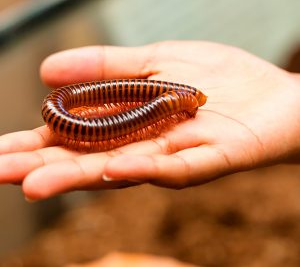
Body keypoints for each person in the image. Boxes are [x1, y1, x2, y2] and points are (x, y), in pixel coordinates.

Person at [0, 41, 299, 201]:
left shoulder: (171, 100)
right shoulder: (58, 109)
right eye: (188, 103)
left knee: (115, 119)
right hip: (62, 110)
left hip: (80, 111)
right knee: (109, 119)